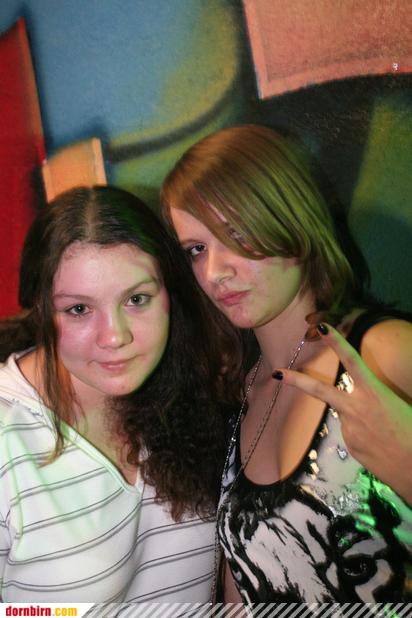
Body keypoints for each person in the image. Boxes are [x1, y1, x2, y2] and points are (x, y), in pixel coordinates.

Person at [160, 124, 412, 603]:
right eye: (197, 249)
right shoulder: (241, 392)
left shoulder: (383, 355)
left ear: (290, 217)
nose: (214, 272)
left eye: (236, 234)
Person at [0, 185, 241, 603]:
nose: (114, 337)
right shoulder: (8, 440)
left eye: (136, 299)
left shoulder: (194, 397)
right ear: (41, 309)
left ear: (170, 295)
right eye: (79, 309)